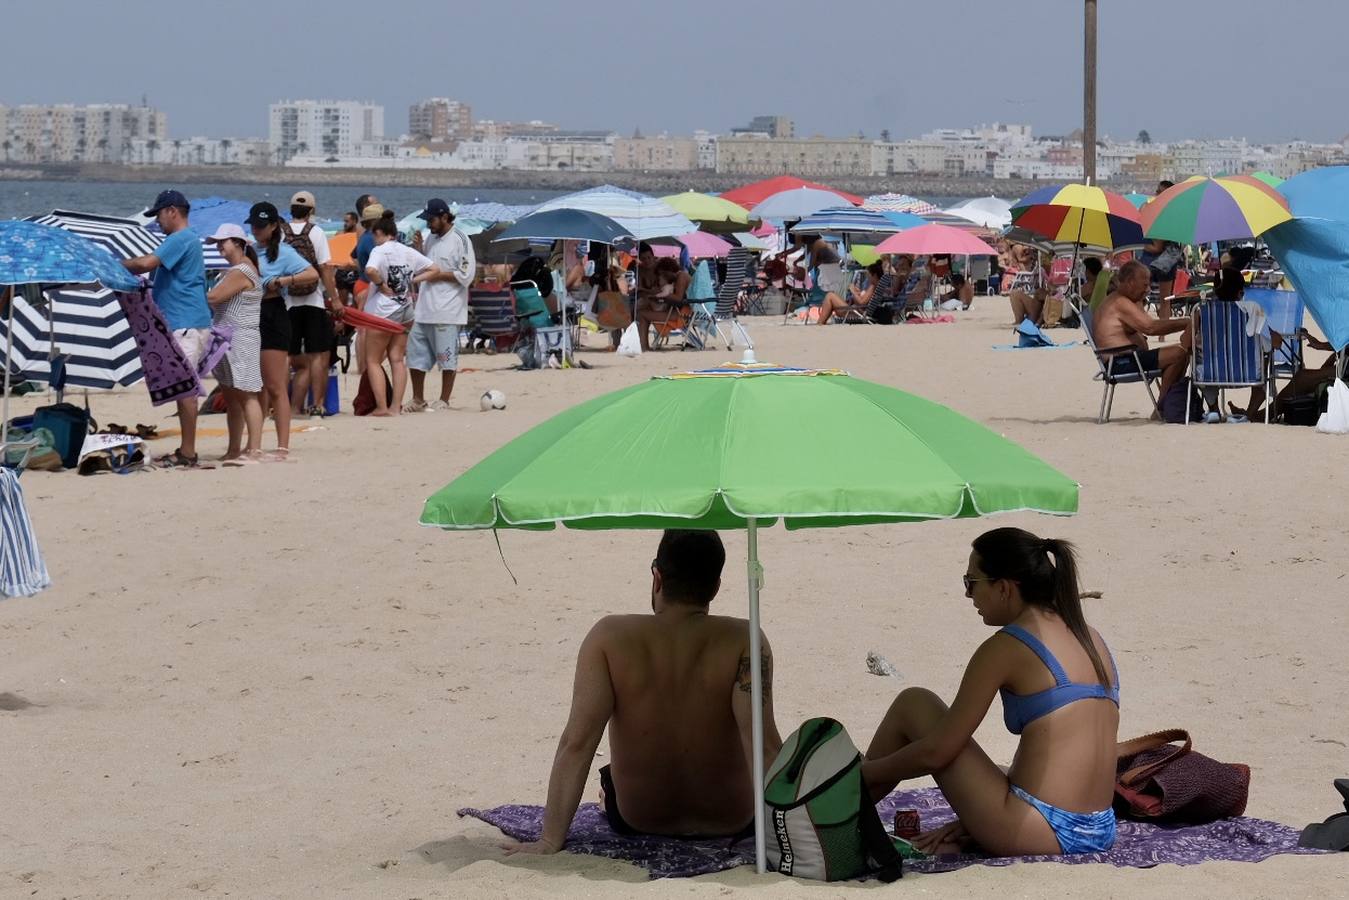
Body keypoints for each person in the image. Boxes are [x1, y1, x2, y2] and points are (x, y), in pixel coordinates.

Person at [502, 530, 782, 853]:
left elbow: (576, 743)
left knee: (607, 784)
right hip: (731, 818)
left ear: (657, 578)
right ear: (716, 587)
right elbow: (763, 745)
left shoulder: (608, 638)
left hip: (639, 818)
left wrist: (549, 840)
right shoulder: (746, 640)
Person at [861, 528, 1120, 857]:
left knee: (914, 703)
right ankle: (845, 805)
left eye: (972, 582)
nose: (968, 595)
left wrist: (865, 773)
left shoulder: (1007, 646)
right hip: (1100, 828)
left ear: (1004, 588)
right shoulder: (1092, 638)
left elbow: (938, 751)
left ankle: (836, 810)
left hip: (1040, 829)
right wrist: (977, 816)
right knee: (994, 768)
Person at [121, 190, 210, 468]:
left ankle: (188, 451)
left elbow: (147, 263)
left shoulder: (180, 238)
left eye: (159, 215)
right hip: (185, 320)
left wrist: (113, 266)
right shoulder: (186, 240)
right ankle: (187, 448)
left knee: (186, 390)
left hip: (186, 322)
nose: (157, 222)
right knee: (183, 388)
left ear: (172, 211)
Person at [247, 202, 318, 459]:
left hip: (273, 314)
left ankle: (282, 446)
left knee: (276, 385)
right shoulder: (251, 250)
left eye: (261, 226)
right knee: (256, 386)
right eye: (253, 225)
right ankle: (254, 444)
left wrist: (283, 281)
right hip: (251, 315)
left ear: (274, 226)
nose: (256, 230)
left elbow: (312, 274)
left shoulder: (284, 253)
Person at [363, 211, 440, 416]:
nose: (373, 239)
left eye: (374, 235)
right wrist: (413, 280)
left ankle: (381, 407)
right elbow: (435, 269)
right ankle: (395, 407)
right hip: (406, 310)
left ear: (380, 232)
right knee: (397, 359)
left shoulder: (380, 251)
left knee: (373, 360)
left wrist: (380, 284)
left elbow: (369, 270)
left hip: (383, 311)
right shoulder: (407, 251)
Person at [1091, 260, 1191, 410]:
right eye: (1145, 285)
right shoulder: (1120, 302)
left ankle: (1166, 404)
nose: (1148, 289)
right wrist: (1187, 322)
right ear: (1130, 282)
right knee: (1178, 353)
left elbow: (1142, 326)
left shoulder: (1120, 300)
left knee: (1182, 353)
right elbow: (1150, 328)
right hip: (1120, 362)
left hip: (1125, 358)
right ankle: (1163, 406)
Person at [405, 199, 474, 412]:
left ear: (445, 217)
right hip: (424, 308)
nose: (428, 224)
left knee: (447, 357)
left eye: (432, 219)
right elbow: (424, 265)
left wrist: (438, 275)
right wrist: (418, 249)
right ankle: (418, 398)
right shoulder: (430, 239)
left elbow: (466, 274)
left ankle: (444, 399)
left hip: (448, 309)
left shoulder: (461, 239)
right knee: (415, 355)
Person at [204, 224, 264, 464]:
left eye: (223, 241)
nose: (219, 246)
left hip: (241, 337)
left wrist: (188, 289)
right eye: (218, 242)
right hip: (227, 336)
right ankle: (234, 449)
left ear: (238, 243)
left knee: (248, 394)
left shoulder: (242, 270)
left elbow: (214, 297)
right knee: (231, 396)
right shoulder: (233, 270)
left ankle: (255, 449)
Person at [284, 191, 341, 418]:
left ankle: (289, 407)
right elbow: (325, 268)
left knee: (289, 356)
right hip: (314, 301)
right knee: (318, 355)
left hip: (288, 302)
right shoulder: (316, 232)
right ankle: (317, 404)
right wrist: (335, 298)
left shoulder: (281, 232)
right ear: (312, 211)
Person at [1140, 180, 1182, 319]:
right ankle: (1163, 333)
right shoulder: (1174, 214)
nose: (1156, 193)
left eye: (1159, 192)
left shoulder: (1158, 212)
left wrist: (1139, 245)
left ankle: (1141, 328)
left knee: (1139, 296)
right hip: (1167, 262)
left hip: (1151, 259)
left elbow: (1156, 247)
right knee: (1165, 300)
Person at [635, 257, 690, 349]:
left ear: (668, 271)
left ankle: (644, 346)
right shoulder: (681, 276)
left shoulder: (681, 276)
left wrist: (662, 294)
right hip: (681, 312)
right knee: (645, 310)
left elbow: (678, 298)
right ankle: (643, 346)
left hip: (682, 314)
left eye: (663, 274)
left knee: (641, 314)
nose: (663, 277)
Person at [818, 261, 883, 324]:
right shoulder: (876, 286)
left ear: (874, 275)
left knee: (830, 296)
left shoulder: (873, 286)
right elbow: (864, 302)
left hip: (855, 313)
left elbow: (862, 302)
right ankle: (821, 323)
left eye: (868, 275)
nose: (867, 277)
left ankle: (820, 324)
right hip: (855, 311)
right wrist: (858, 293)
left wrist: (853, 291)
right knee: (830, 298)